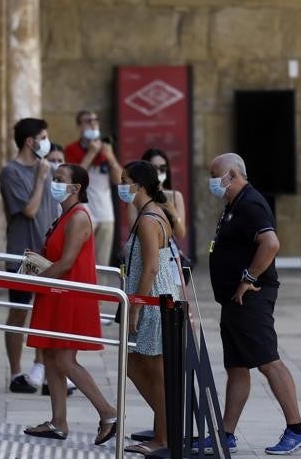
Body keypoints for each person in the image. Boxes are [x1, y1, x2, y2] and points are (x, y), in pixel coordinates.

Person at [204, 153, 301, 455]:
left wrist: (248, 277)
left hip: (251, 296)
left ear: (232, 175)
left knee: (267, 360)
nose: (211, 181)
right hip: (233, 300)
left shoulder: (250, 204)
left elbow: (271, 243)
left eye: (215, 175)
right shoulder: (233, 206)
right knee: (237, 366)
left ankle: (296, 428)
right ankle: (226, 433)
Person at [21, 164, 119, 446]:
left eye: (60, 180)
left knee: (64, 359)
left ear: (76, 188)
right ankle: (58, 421)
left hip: (68, 296)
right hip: (56, 294)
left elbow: (66, 262)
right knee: (51, 356)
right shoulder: (63, 216)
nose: (55, 183)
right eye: (55, 178)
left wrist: (37, 281)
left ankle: (108, 412)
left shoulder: (78, 217)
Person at [119, 160, 182, 455]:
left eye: (125, 181)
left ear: (140, 186)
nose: (121, 186)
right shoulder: (153, 212)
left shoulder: (148, 219)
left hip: (153, 303)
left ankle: (164, 436)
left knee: (154, 373)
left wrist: (135, 307)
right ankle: (168, 426)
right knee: (136, 366)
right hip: (158, 300)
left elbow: (151, 268)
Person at [0, 117, 60, 393]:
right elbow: (30, 210)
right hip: (24, 254)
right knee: (20, 312)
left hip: (47, 253)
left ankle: (43, 368)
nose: (46, 142)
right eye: (43, 137)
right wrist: (40, 178)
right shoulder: (12, 172)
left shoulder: (45, 169)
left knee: (48, 312)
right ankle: (15, 373)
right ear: (30, 141)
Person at [64, 110, 122, 267]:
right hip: (84, 210)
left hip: (105, 213)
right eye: (88, 120)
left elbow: (118, 180)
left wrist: (110, 157)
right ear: (80, 126)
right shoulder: (71, 149)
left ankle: (100, 291)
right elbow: (74, 179)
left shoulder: (106, 149)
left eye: (96, 120)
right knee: (82, 260)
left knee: (102, 263)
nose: (93, 123)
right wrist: (90, 154)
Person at [129, 148, 187, 242]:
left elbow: (181, 234)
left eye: (163, 168)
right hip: (143, 249)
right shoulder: (135, 197)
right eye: (154, 168)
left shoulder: (175, 196)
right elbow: (133, 231)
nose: (159, 172)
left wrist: (173, 214)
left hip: (168, 251)